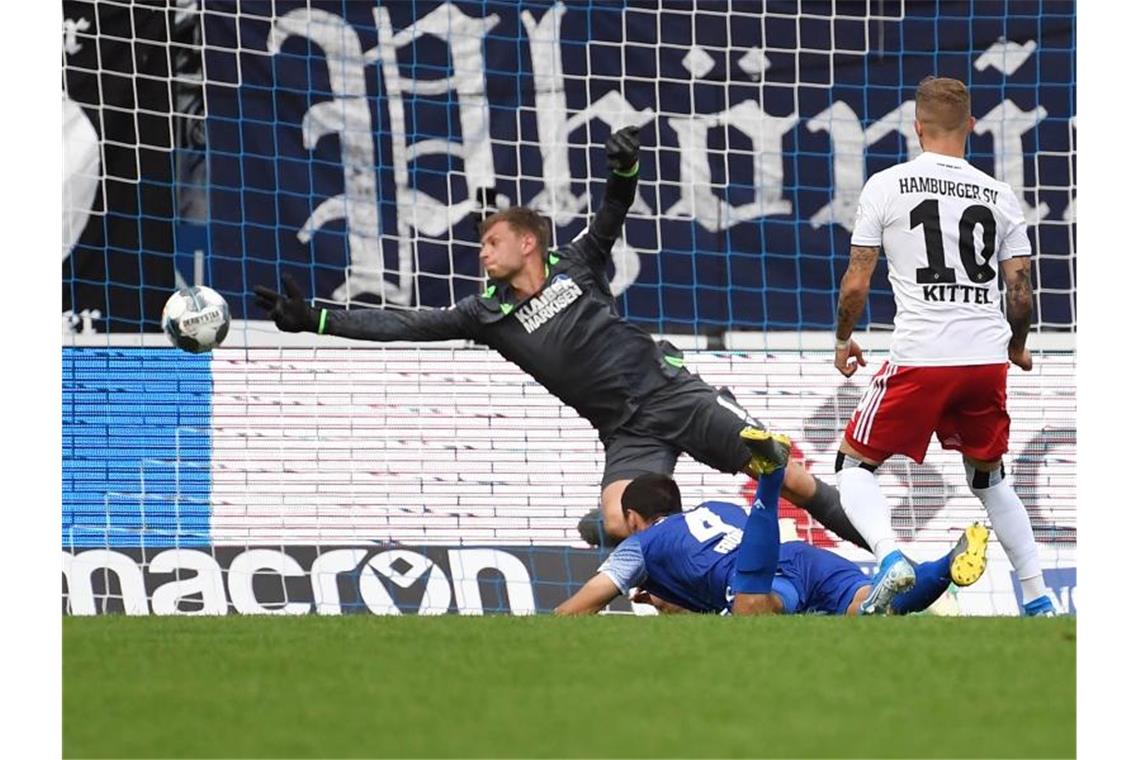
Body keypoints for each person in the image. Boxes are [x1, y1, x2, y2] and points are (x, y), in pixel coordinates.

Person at [255, 126, 867, 551]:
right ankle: (673, 552)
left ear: (528, 242)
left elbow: (613, 210)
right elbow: (405, 326)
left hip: (673, 391)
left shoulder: (575, 264)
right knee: (617, 521)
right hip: (625, 431)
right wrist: (316, 319)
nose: (482, 252)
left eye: (491, 241)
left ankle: (890, 556)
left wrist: (624, 165)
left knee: (788, 477)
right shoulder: (483, 313)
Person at [831, 76, 1054, 616]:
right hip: (982, 360)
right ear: (971, 127)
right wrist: (1017, 347)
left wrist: (843, 339)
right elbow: (1019, 292)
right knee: (989, 478)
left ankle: (889, 558)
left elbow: (857, 283)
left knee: (851, 466)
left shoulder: (886, 184)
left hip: (921, 357)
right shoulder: (999, 195)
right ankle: (1038, 596)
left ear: (917, 127)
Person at [554, 442, 988, 616]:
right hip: (800, 558)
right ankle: (948, 564)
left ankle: (770, 474)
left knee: (751, 609)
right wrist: (667, 602)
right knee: (871, 609)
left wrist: (555, 619)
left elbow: (579, 608)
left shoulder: (640, 545)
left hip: (758, 578)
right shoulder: (716, 506)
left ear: (632, 519)